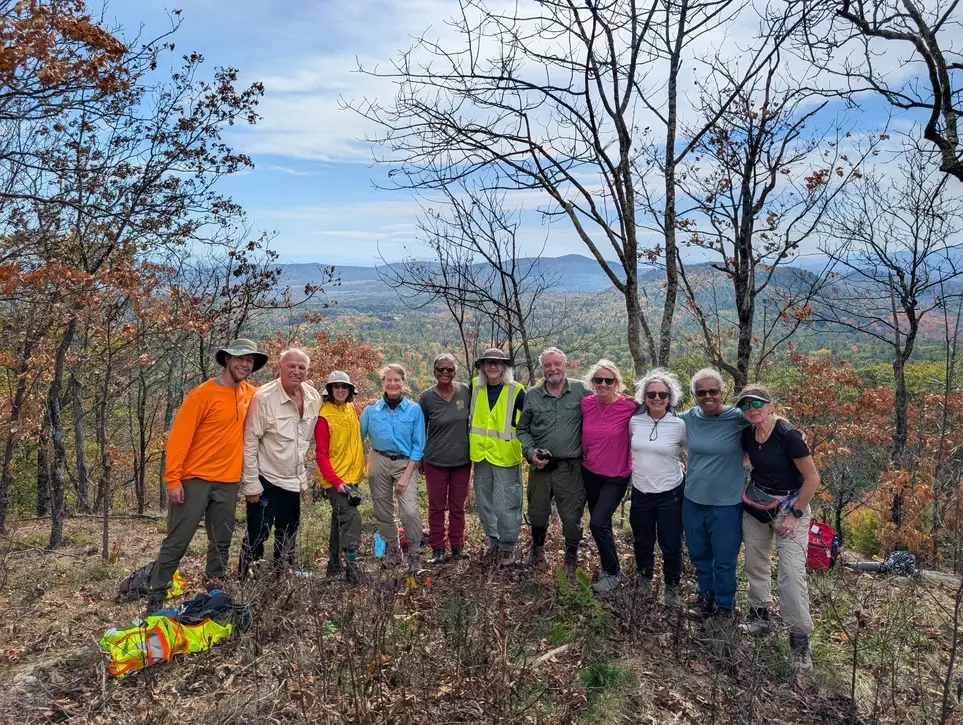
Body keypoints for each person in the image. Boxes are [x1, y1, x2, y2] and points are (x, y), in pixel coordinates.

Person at [147, 339, 266, 611]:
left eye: (249, 360)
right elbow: (179, 439)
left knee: (221, 540)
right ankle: (156, 595)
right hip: (194, 480)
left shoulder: (251, 394)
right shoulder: (202, 394)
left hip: (228, 481)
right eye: (239, 358)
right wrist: (173, 480)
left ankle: (215, 592)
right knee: (178, 539)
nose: (244, 364)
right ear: (227, 360)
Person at [736, 384, 820, 670]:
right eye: (745, 405)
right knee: (755, 563)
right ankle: (759, 617)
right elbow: (743, 459)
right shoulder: (749, 434)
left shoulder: (787, 435)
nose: (751, 409)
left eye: (757, 403)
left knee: (792, 575)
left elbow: (812, 478)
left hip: (790, 506)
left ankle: (799, 640)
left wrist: (795, 514)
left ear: (771, 405)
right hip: (758, 503)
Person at [238, 349, 322, 577]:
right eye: (291, 366)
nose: (297, 371)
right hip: (267, 477)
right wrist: (251, 483)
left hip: (293, 480)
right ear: (280, 367)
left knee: (288, 532)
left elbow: (303, 441)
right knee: (258, 531)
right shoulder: (264, 398)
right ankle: (247, 579)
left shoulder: (313, 397)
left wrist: (302, 479)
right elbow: (250, 441)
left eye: (301, 367)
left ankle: (282, 576)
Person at [679, 368, 750, 621]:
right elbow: (659, 419)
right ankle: (704, 598)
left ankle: (724, 606)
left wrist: (792, 434)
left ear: (723, 392)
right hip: (693, 499)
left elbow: (766, 421)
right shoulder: (688, 418)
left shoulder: (737, 418)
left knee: (725, 558)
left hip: (727, 503)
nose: (707, 396)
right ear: (694, 395)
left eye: (713, 391)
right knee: (699, 555)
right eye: (701, 392)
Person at [517, 347, 589, 570]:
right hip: (541, 466)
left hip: (570, 466)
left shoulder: (582, 390)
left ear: (565, 365)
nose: (553, 368)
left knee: (571, 514)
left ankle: (571, 557)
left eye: (557, 363)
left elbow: (605, 407)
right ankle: (537, 553)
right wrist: (530, 452)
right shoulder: (533, 394)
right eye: (547, 365)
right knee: (537, 512)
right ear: (543, 368)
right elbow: (522, 429)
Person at [628, 368, 687, 607]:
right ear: (644, 397)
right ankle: (644, 580)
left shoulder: (679, 425)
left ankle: (671, 588)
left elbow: (690, 454)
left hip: (670, 493)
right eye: (651, 394)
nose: (657, 398)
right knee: (642, 541)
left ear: (670, 398)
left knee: (671, 543)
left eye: (662, 394)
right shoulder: (634, 422)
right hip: (641, 491)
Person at [361, 363, 426, 574]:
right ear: (383, 383)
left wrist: (406, 475)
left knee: (409, 510)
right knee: (382, 511)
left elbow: (419, 445)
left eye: (397, 380)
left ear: (403, 383)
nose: (393, 383)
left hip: (405, 463)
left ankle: (415, 554)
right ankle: (393, 550)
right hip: (378, 459)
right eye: (388, 380)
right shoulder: (371, 411)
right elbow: (357, 439)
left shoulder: (414, 410)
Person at [580, 359, 638, 594]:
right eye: (598, 380)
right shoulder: (586, 404)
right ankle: (607, 565)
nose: (603, 384)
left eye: (608, 380)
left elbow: (658, 411)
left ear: (617, 382)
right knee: (601, 523)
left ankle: (612, 575)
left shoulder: (630, 407)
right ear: (592, 383)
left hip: (617, 475)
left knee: (597, 523)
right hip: (590, 472)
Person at [469, 348, 526, 567]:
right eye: (488, 363)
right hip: (481, 456)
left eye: (498, 363)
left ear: (504, 367)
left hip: (505, 457)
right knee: (485, 503)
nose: (493, 366)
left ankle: (508, 546)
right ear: (482, 366)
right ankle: (492, 539)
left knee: (507, 504)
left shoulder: (517, 391)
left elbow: (531, 421)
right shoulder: (475, 387)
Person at [419, 353, 472, 565]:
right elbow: (419, 429)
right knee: (436, 506)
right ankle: (438, 548)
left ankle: (457, 546)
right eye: (440, 369)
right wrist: (420, 457)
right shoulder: (426, 398)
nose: (445, 373)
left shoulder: (465, 392)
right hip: (435, 460)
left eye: (449, 369)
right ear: (434, 372)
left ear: (455, 372)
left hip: (462, 459)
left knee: (458, 505)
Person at [315, 370, 367, 585]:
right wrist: (336, 482)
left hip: (352, 478)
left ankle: (333, 568)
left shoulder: (352, 410)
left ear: (349, 390)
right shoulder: (324, 416)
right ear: (329, 390)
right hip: (335, 481)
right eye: (336, 386)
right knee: (353, 517)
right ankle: (352, 569)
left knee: (338, 522)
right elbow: (321, 454)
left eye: (344, 386)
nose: (340, 390)